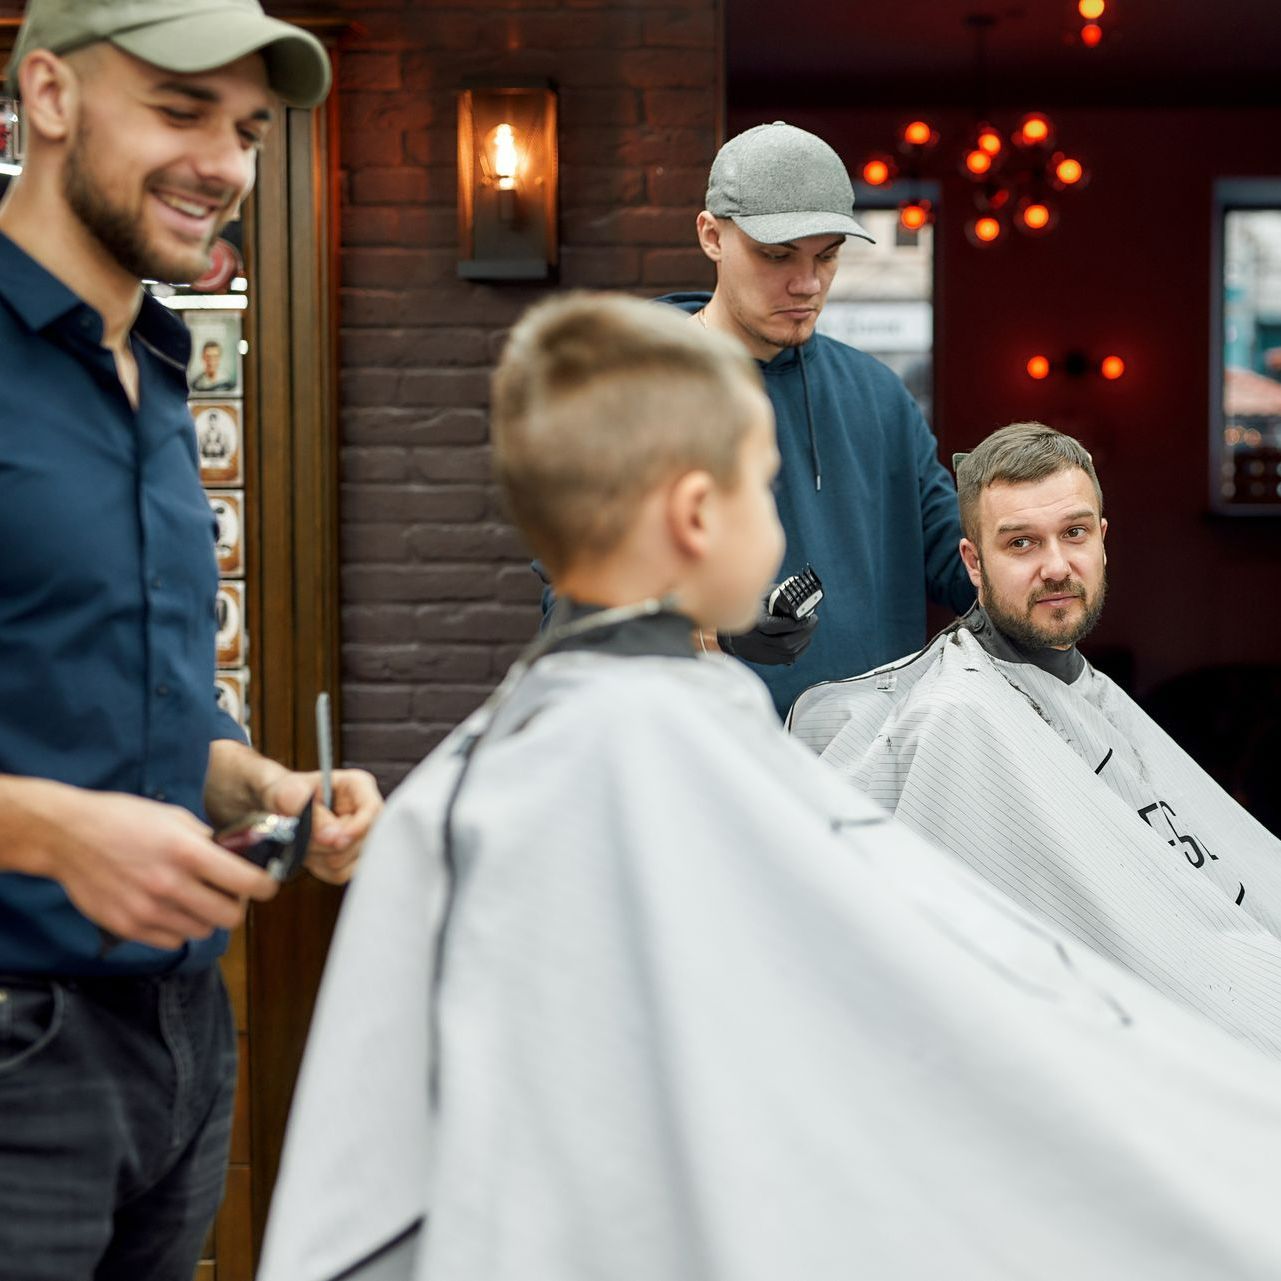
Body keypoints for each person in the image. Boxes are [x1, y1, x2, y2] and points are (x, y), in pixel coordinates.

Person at [262, 295, 1281, 1281]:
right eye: (766, 486)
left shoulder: (493, 767)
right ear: (700, 515)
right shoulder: (662, 752)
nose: (784, 526)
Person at [0, 3, 383, 1278]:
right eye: (178, 111)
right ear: (49, 97)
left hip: (179, 1038)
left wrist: (267, 786)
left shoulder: (151, 369)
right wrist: (54, 832)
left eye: (246, 128)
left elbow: (138, 703)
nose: (224, 161)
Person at [791, 420, 1281, 1056]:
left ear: (1103, 541)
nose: (1056, 566)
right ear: (973, 561)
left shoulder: (1090, 694)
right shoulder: (956, 718)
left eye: (1073, 533)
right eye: (1020, 543)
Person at [655, 120, 975, 716]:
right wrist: (709, 627)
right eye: (776, 256)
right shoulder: (635, 382)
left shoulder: (881, 396)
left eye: (827, 256)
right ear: (711, 236)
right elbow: (580, 598)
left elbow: (958, 559)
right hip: (710, 765)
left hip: (870, 769)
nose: (807, 284)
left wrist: (1041, 554)